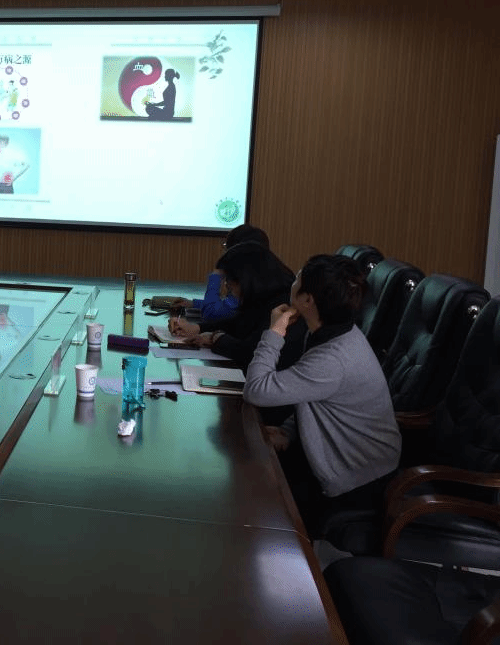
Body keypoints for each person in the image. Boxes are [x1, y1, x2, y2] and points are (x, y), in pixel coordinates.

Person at [242, 254, 401, 537]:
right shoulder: (335, 333)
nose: (293, 281)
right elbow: (319, 400)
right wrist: (288, 431)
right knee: (250, 468)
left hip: (357, 478)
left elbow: (256, 390)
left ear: (307, 300)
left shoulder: (332, 358)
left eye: (298, 278)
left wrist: (274, 332)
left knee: (256, 502)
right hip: (339, 456)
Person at [169, 241, 305, 369]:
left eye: (229, 280)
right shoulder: (264, 297)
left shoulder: (282, 305)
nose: (227, 286)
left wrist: (215, 338)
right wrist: (198, 328)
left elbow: (251, 352)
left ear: (246, 279)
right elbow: (239, 323)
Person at [168, 223, 272, 321]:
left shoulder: (246, 285)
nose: (225, 253)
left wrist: (217, 274)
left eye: (227, 248)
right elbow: (224, 307)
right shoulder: (262, 278)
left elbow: (210, 313)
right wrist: (193, 303)